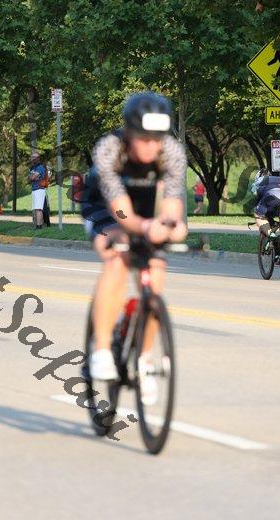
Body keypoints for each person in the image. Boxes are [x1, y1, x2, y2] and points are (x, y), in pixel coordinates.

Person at [81, 91, 187, 404]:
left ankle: (144, 359)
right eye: (144, 139)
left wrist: (171, 226)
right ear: (129, 133)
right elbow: (121, 211)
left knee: (156, 272)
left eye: (157, 140)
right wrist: (143, 228)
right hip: (105, 208)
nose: (151, 147)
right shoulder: (110, 149)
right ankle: (101, 349)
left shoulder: (172, 152)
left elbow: (171, 204)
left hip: (145, 205)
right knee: (117, 256)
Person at [251, 167, 280, 244]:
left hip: (271, 195)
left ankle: (271, 235)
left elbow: (256, 197)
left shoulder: (258, 181)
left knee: (258, 215)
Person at [28, 153, 46, 229]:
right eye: (32, 157)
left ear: (38, 158)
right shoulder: (32, 168)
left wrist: (32, 177)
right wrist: (31, 177)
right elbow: (29, 179)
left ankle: (39, 226)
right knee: (35, 209)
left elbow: (32, 178)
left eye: (35, 157)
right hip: (34, 189)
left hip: (39, 189)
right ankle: (36, 225)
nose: (33, 159)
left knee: (39, 208)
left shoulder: (40, 167)